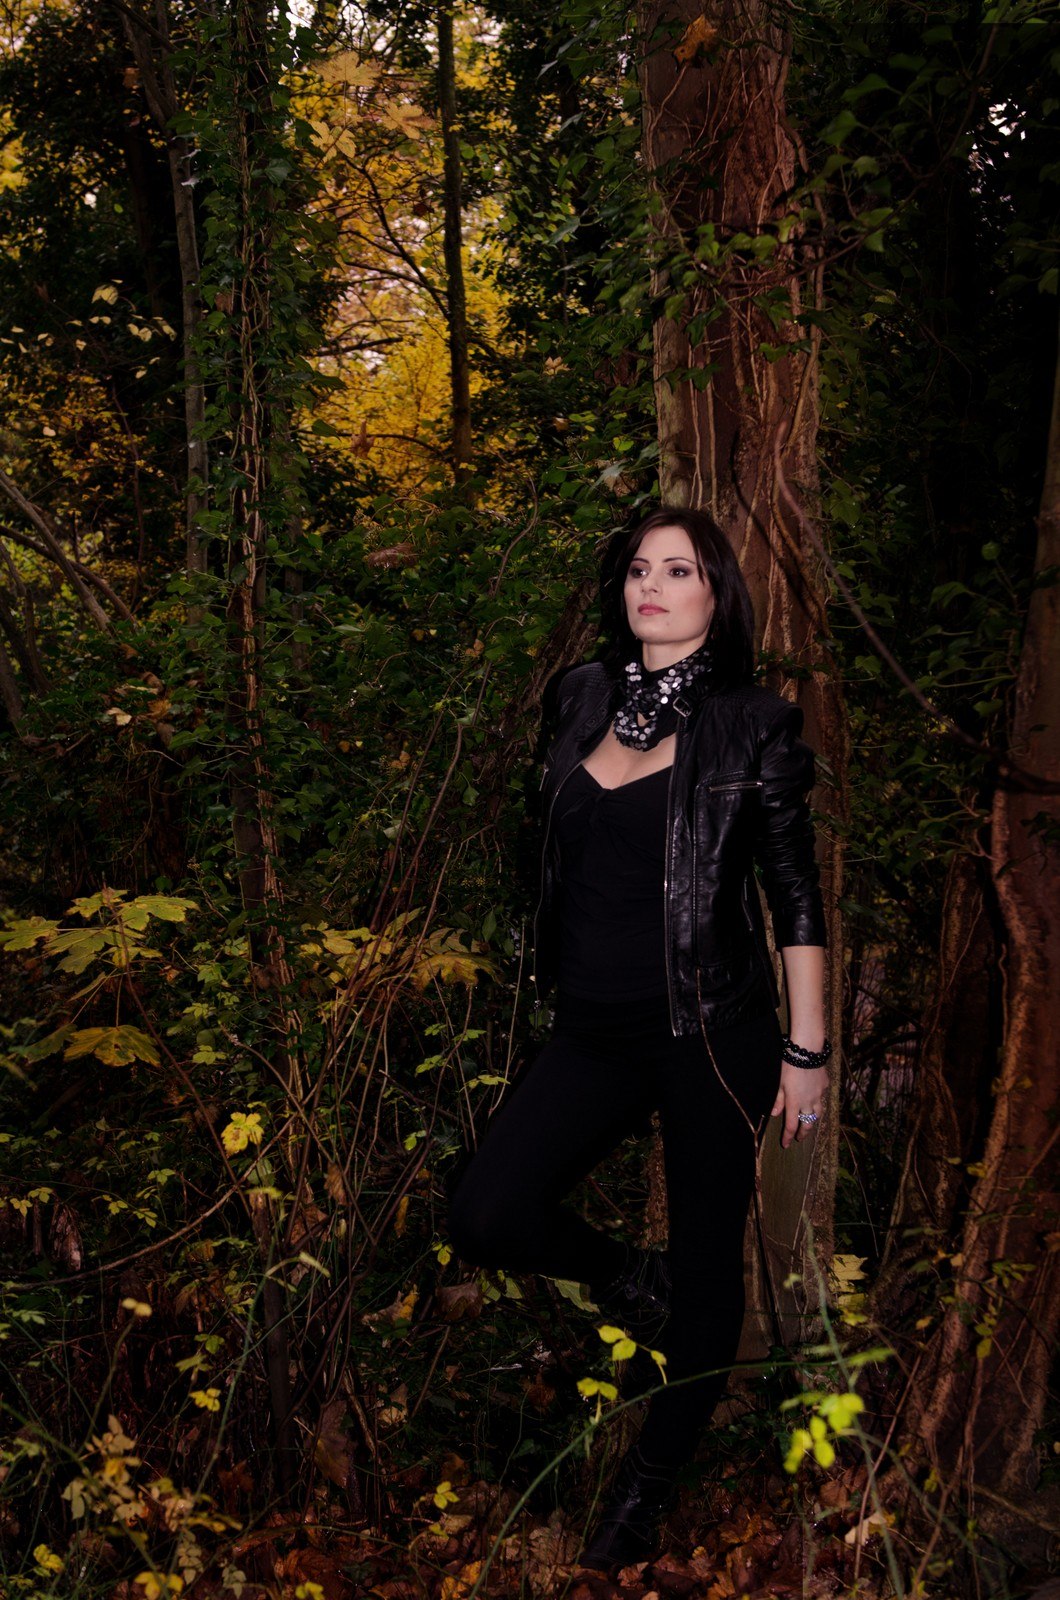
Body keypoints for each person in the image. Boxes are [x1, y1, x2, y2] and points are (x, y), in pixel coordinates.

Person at [445, 506, 830, 1571]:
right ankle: (628, 1276)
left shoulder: (753, 722)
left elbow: (794, 893)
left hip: (711, 1031)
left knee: (711, 1273)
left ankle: (644, 1493)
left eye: (679, 570)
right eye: (638, 569)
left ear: (717, 595)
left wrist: (806, 1051)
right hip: (592, 1029)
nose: (650, 586)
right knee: (485, 1211)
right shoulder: (580, 696)